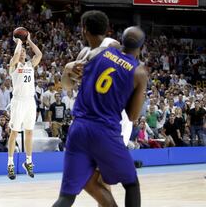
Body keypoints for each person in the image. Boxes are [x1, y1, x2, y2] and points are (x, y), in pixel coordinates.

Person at [53, 26, 148, 207]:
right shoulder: (139, 72)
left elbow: (73, 76)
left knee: (66, 197)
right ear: (142, 48)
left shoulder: (99, 53)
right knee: (131, 184)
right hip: (105, 130)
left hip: (78, 128)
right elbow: (133, 115)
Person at [7, 32, 42, 180]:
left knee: (29, 132)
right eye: (20, 51)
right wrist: (19, 43)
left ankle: (28, 161)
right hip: (18, 101)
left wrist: (29, 40)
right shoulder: (13, 65)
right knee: (14, 133)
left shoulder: (29, 64)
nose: (22, 53)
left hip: (30, 102)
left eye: (23, 52)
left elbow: (39, 54)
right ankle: (10, 163)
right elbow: (14, 58)